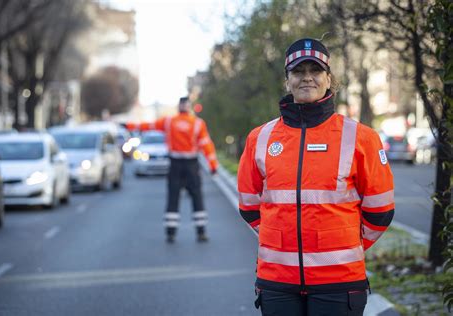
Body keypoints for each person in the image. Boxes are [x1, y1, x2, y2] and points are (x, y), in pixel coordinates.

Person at [237, 38, 395, 315]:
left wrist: (346, 246)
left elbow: (381, 211)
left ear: (328, 78)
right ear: (287, 80)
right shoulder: (259, 138)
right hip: (277, 281)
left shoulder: (362, 137)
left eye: (315, 70)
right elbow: (249, 205)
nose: (307, 78)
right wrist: (280, 240)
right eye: (298, 72)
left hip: (340, 282)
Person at [138, 97, 218, 243]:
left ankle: (171, 233)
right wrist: (213, 166)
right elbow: (207, 145)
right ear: (189, 107)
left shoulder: (169, 122)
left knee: (173, 198)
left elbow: (149, 126)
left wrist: (128, 126)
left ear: (179, 107)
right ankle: (201, 232)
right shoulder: (198, 123)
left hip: (175, 164)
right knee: (197, 197)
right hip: (191, 165)